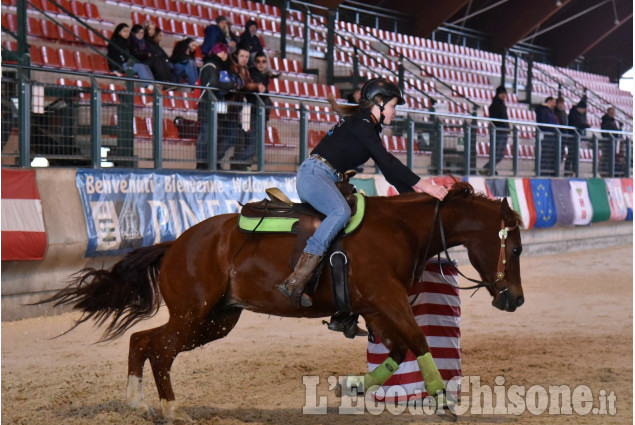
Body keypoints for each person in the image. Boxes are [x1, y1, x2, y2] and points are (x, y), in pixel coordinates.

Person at [275, 78, 448, 307]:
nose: (395, 112)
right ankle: (297, 278)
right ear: (378, 102)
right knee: (341, 212)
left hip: (326, 177)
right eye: (393, 106)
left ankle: (342, 300)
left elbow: (387, 170)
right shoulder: (362, 123)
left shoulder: (368, 125)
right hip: (314, 175)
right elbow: (387, 160)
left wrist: (413, 199)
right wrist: (425, 186)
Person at [196, 42, 242, 169]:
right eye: (220, 52)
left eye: (225, 52)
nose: (223, 55)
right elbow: (214, 84)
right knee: (205, 135)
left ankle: (210, 162)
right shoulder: (211, 66)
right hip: (207, 104)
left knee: (217, 136)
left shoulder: (222, 67)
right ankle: (201, 163)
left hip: (218, 105)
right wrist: (230, 85)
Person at [480, 85, 509, 175]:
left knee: (500, 154)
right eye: (502, 93)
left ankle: (488, 168)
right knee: (496, 153)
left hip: (503, 131)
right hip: (498, 131)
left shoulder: (502, 104)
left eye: (505, 93)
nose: (504, 95)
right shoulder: (494, 105)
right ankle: (488, 169)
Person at [534, 96, 558, 175]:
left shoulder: (549, 111)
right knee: (546, 154)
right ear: (549, 101)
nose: (555, 104)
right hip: (547, 134)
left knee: (549, 154)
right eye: (554, 102)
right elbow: (544, 123)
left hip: (551, 135)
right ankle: (543, 172)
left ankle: (547, 171)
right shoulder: (543, 110)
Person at [249, 51, 273, 123]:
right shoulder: (252, 73)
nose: (261, 64)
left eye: (263, 61)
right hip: (254, 111)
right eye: (258, 61)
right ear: (254, 63)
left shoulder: (265, 76)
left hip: (263, 111)